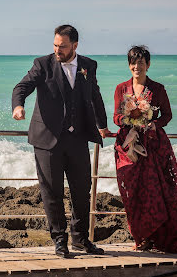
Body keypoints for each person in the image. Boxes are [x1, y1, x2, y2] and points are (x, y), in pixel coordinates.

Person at [12, 25, 110, 258]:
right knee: (52, 193)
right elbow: (22, 87)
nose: (57, 50)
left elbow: (95, 95)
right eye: (55, 45)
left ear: (75, 46)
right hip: (47, 140)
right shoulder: (42, 64)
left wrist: (102, 125)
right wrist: (18, 105)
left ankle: (80, 239)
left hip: (77, 140)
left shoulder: (88, 65)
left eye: (62, 46)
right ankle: (59, 241)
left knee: (81, 191)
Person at [113, 45, 177, 253]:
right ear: (129, 66)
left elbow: (167, 115)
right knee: (134, 193)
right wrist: (128, 118)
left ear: (148, 65)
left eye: (142, 63)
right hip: (129, 148)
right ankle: (142, 238)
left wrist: (154, 123)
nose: (138, 66)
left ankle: (160, 238)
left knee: (157, 192)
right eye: (134, 63)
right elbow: (116, 117)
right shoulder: (121, 88)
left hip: (154, 147)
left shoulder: (158, 89)